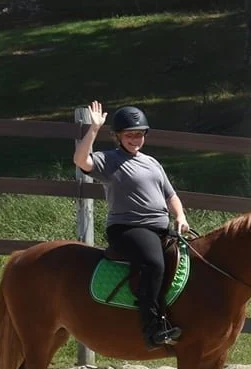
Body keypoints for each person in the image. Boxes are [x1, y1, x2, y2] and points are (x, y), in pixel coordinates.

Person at [74, 101, 192, 347]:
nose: (135, 139)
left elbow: (171, 195)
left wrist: (180, 216)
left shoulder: (152, 163)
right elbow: (81, 160)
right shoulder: (109, 160)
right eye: (129, 135)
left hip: (161, 228)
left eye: (139, 134)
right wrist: (94, 129)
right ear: (118, 136)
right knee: (153, 263)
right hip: (128, 228)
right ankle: (152, 328)